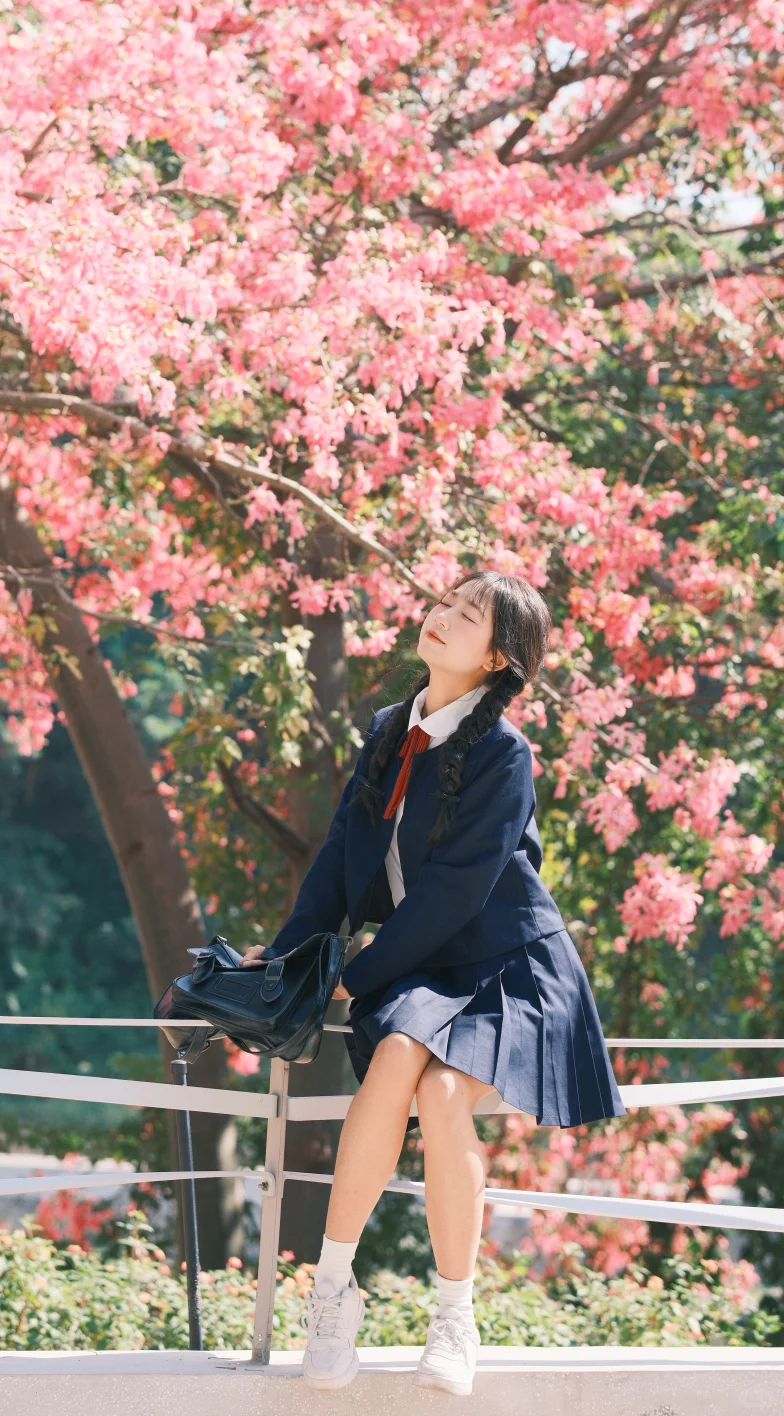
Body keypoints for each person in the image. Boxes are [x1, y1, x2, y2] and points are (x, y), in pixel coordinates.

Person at [239, 569, 625, 1395]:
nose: (442, 616)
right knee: (394, 1064)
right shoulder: (388, 730)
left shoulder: (504, 753)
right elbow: (337, 870)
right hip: (425, 964)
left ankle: (456, 1316)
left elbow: (458, 892)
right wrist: (285, 964)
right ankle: (332, 1291)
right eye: (445, 603)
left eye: (468, 615)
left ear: (497, 659)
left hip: (511, 966)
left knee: (444, 1099)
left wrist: (358, 974)